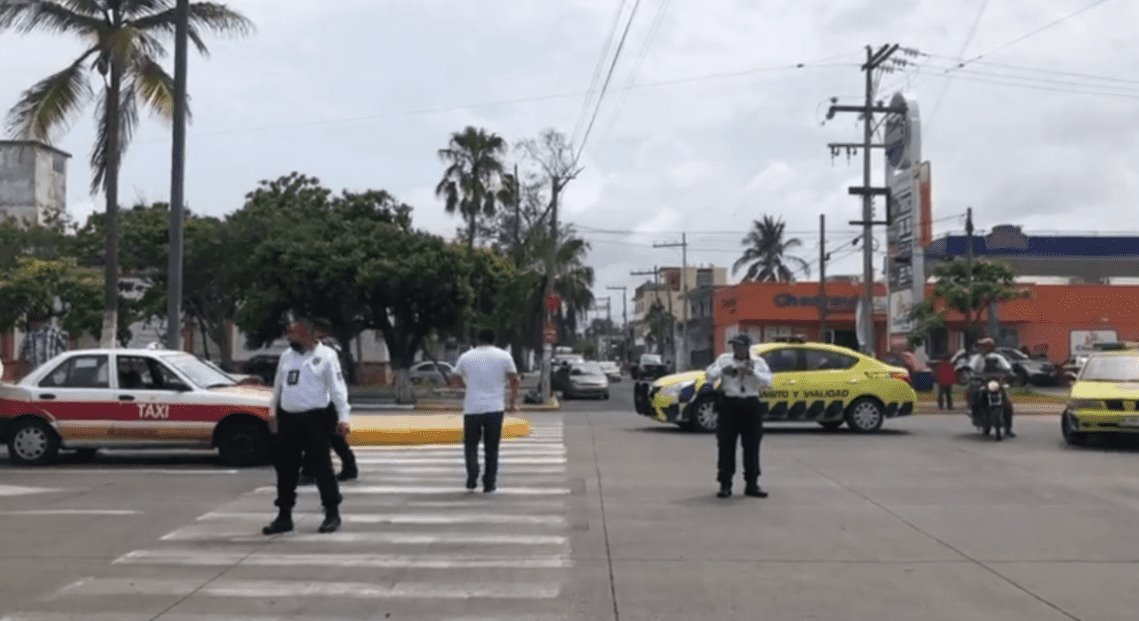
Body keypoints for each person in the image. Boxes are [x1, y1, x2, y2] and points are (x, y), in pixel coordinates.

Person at [263, 318, 351, 535]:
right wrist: (273, 412)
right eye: (289, 332)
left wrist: (343, 417)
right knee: (286, 471)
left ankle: (332, 513)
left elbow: (337, 389)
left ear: (308, 335)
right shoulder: (286, 357)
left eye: (293, 333)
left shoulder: (326, 356)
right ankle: (284, 516)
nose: (289, 337)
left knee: (322, 469)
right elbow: (278, 387)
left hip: (316, 420)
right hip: (289, 420)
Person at [451, 328, 520, 493]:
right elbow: (514, 380)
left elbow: (455, 379)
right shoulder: (504, 356)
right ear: (494, 339)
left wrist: (467, 386)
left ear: (477, 339)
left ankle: (472, 476)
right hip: (495, 408)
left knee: (470, 445)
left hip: (472, 408)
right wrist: (512, 402)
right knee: (492, 448)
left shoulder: (466, 356)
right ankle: (489, 483)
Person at [706, 334, 773, 499]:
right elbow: (709, 375)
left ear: (747, 347)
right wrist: (723, 370)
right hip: (729, 405)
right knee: (726, 446)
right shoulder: (724, 359)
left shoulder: (758, 362)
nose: (737, 350)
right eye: (734, 346)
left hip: (750, 404)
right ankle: (725, 484)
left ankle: (752, 483)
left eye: (740, 347)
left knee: (752, 446)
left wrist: (752, 373)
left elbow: (768, 382)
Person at [298, 319, 358, 484]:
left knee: (321, 436)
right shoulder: (330, 346)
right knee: (328, 437)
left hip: (327, 398)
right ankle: (348, 467)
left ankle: (311, 471)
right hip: (324, 398)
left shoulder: (327, 348)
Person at [967, 337, 1015, 438]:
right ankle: (976, 414)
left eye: (985, 346)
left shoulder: (998, 357)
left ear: (991, 347)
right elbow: (970, 368)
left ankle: (1008, 428)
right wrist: (971, 374)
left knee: (1008, 404)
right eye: (981, 346)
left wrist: (1010, 373)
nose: (982, 348)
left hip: (996, 383)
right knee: (976, 396)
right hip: (982, 383)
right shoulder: (977, 358)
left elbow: (1007, 368)